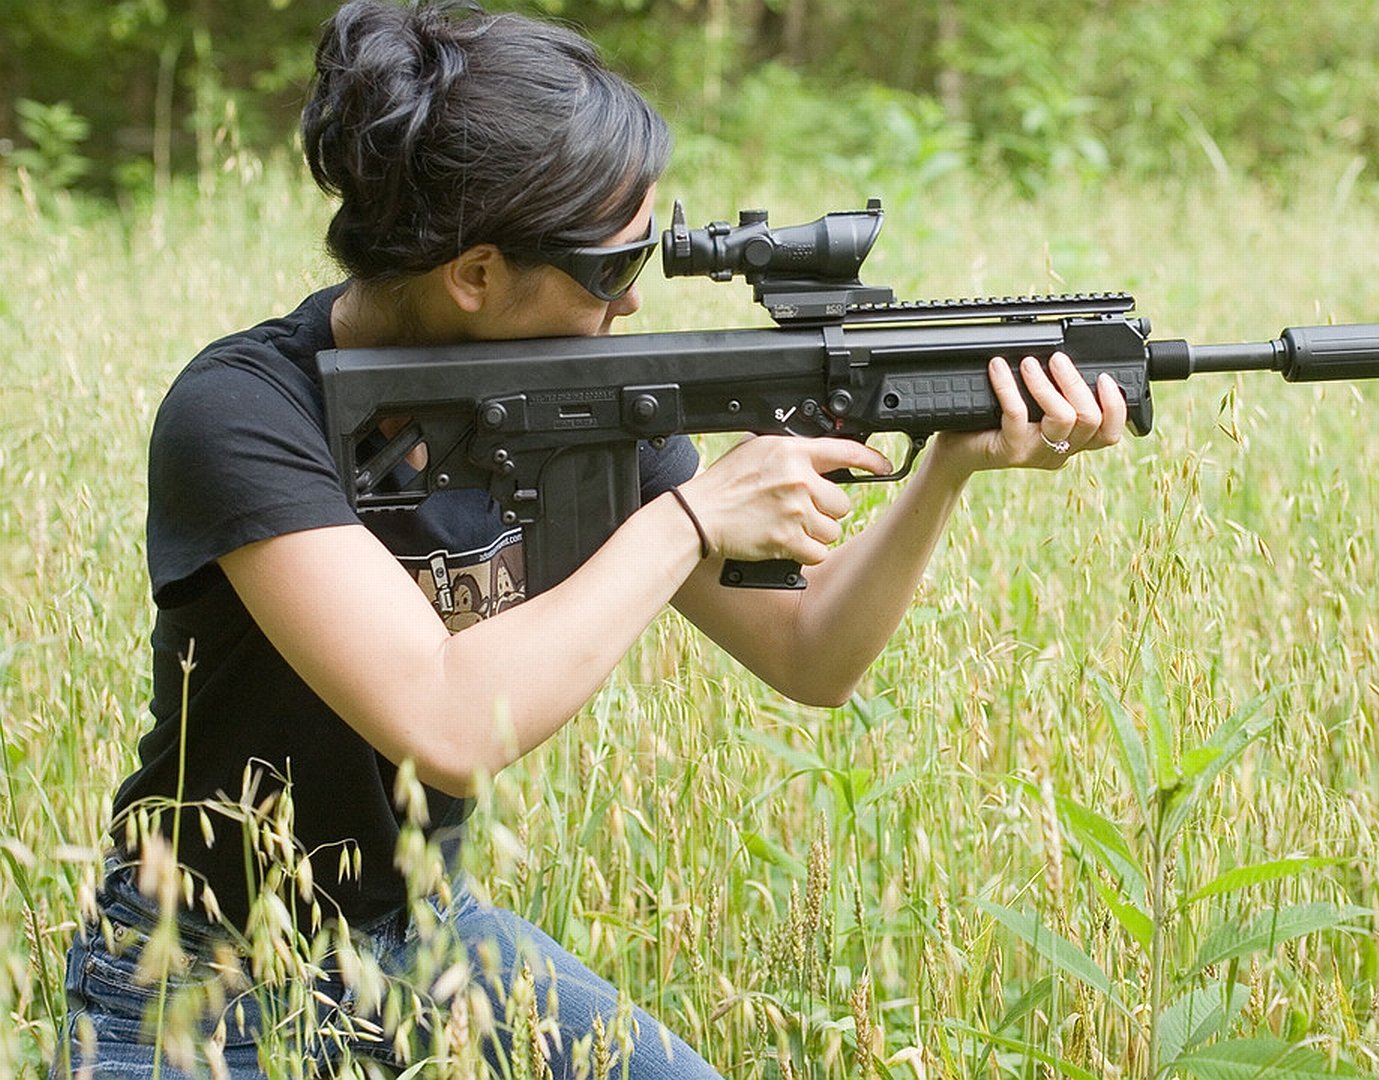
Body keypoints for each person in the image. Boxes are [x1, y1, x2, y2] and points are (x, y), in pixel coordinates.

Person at [53, 1, 1127, 1077]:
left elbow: (812, 655)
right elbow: (446, 718)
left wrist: (946, 467)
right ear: (474, 275)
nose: (631, 304)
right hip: (198, 985)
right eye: (610, 270)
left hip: (424, 940)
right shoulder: (243, 413)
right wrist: (695, 514)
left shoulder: (583, 405)